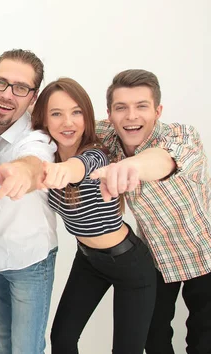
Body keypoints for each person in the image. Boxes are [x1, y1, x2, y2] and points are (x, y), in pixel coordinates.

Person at [31, 77, 156, 353]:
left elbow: (79, 167)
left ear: (87, 116)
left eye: (76, 112)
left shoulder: (96, 155)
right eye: (57, 114)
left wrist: (64, 172)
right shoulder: (46, 154)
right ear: (44, 119)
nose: (68, 122)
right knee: (62, 339)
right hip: (88, 260)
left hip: (130, 264)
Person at [91, 69, 211, 354]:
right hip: (156, 259)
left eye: (141, 106)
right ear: (110, 114)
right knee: (153, 339)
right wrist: (8, 98)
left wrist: (129, 167)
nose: (131, 116)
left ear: (158, 111)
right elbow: (67, 117)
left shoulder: (183, 136)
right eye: (122, 108)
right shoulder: (109, 135)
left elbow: (164, 160)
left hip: (205, 253)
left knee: (204, 342)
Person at [0, 49, 57, 354]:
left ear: (33, 97)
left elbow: (35, 162)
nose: (7, 94)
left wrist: (22, 172)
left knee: (27, 349)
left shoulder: (38, 135)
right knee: (2, 339)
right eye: (0, 83)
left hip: (29, 259)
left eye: (20, 88)